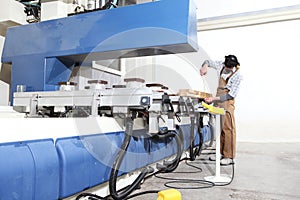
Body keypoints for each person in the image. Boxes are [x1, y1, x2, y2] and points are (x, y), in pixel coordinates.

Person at [200, 55, 242, 165]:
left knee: (228, 129)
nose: (228, 69)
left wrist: (213, 99)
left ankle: (229, 156)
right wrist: (205, 66)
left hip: (227, 102)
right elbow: (208, 61)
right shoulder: (221, 65)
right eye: (227, 66)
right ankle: (220, 153)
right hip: (218, 101)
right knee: (220, 128)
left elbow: (230, 95)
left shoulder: (237, 76)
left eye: (230, 67)